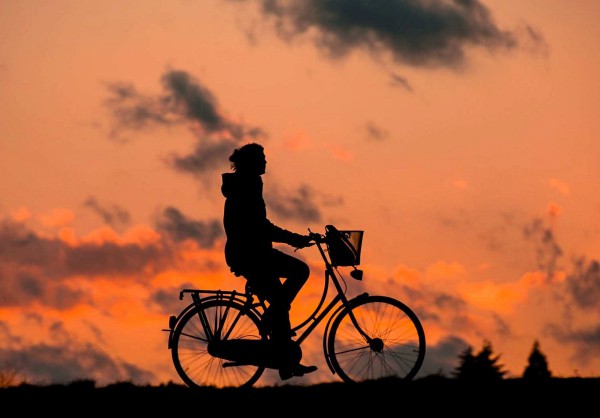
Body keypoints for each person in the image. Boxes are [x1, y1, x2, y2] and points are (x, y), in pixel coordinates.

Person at [221, 142, 318, 380]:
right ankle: (271, 324)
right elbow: (260, 227)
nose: (266, 161)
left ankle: (286, 362)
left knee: (280, 300)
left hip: (254, 254)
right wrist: (294, 238)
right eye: (262, 158)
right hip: (250, 255)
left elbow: (260, 227)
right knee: (298, 273)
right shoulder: (246, 187)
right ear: (253, 163)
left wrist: (292, 239)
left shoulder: (247, 185)